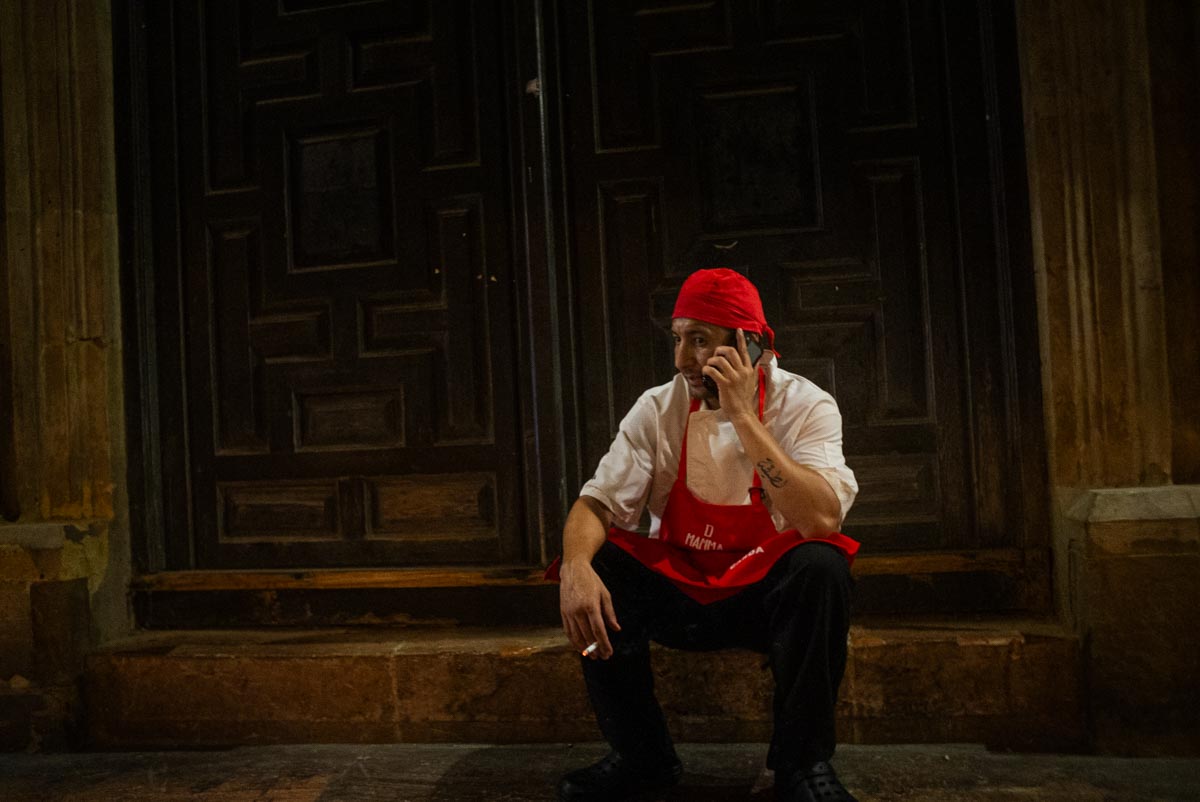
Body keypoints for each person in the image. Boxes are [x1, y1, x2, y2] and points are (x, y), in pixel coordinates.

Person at [548, 268, 861, 802]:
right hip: (686, 596)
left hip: (766, 602)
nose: (681, 360)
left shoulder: (806, 405)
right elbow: (595, 503)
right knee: (593, 565)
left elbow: (821, 520)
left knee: (822, 566)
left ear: (748, 344)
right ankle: (641, 758)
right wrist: (575, 568)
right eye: (677, 339)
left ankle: (801, 765)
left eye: (698, 340)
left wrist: (743, 416)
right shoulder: (658, 409)